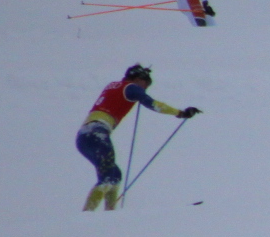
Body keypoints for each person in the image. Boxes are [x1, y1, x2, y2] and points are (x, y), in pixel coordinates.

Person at [78, 63, 198, 210]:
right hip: (97, 133)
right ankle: (88, 214)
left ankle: (109, 212)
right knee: (109, 177)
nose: (146, 87)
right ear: (138, 78)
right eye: (146, 83)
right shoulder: (130, 88)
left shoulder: (114, 85)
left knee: (115, 174)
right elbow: (153, 104)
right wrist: (180, 113)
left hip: (84, 137)